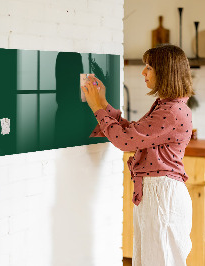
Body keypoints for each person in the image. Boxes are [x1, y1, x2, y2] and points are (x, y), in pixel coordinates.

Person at [82, 44, 194, 266]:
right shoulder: (167, 106)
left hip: (162, 195)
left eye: (149, 67)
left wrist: (97, 108)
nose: (143, 72)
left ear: (165, 72)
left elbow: (125, 141)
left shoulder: (171, 111)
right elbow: (133, 133)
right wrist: (103, 103)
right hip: (157, 193)